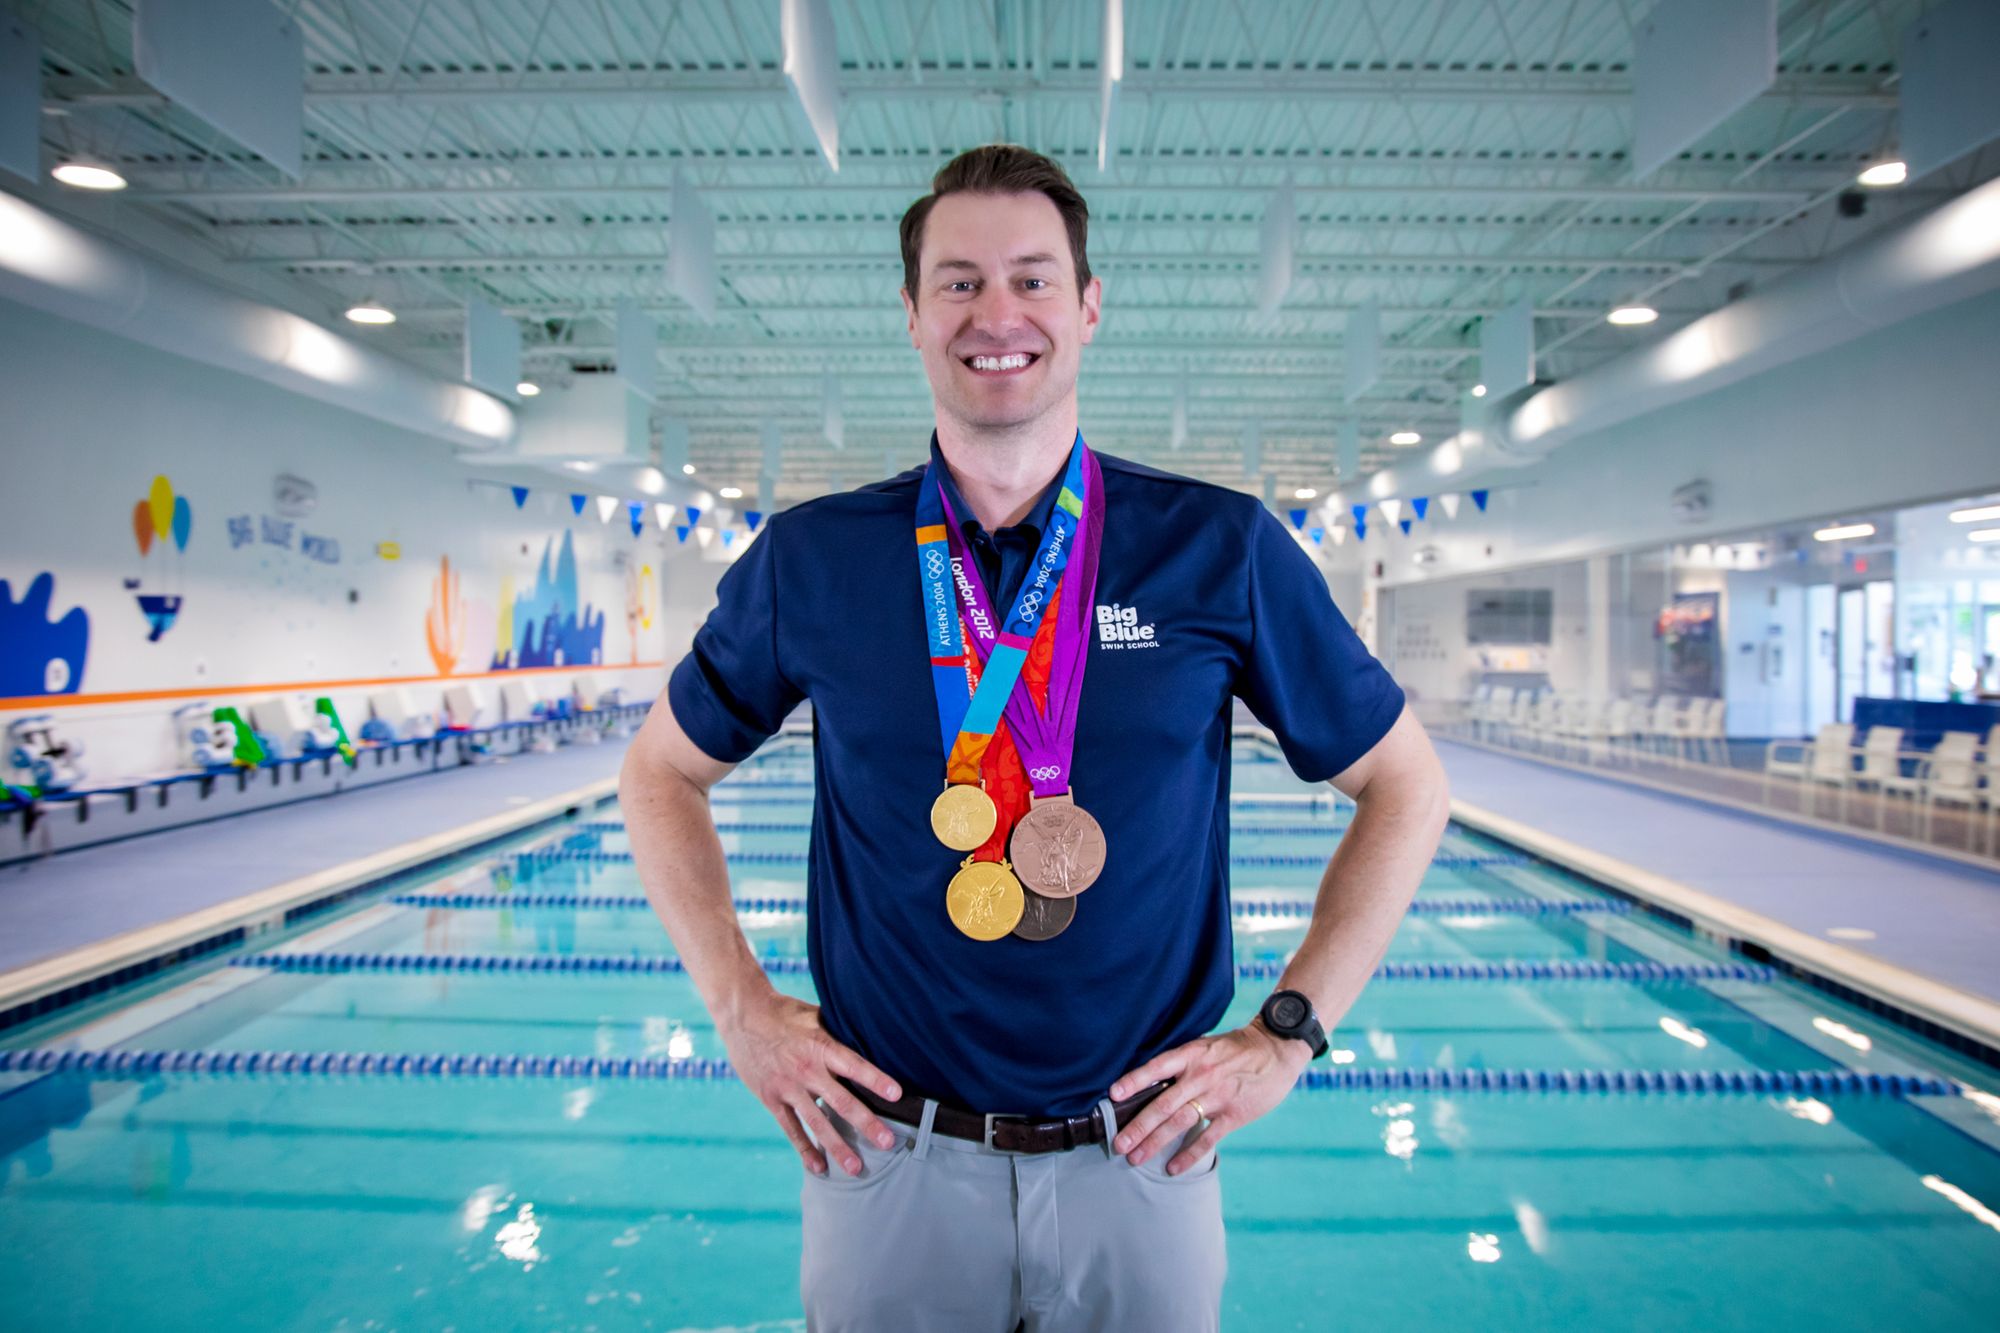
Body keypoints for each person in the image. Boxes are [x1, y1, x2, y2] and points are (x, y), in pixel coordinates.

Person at [620, 143, 1449, 1333]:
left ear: (1087, 304)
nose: (995, 314)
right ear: (910, 314)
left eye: (1031, 278)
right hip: (886, 1163)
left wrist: (1288, 1033)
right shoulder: (814, 560)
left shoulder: (1216, 547)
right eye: (957, 282)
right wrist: (737, 1003)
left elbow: (1406, 786)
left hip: (1141, 1164)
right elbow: (659, 771)